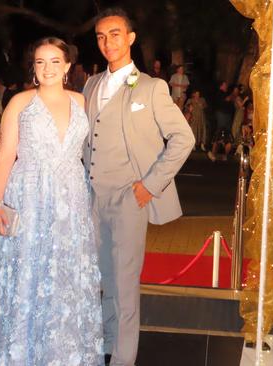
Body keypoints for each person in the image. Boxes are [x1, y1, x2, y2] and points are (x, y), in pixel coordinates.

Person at [0, 37, 103, 366]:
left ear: (68, 66)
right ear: (33, 68)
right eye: (40, 62)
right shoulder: (19, 101)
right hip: (28, 196)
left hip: (72, 198)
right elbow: (4, 157)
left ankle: (64, 351)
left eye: (55, 61)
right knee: (27, 274)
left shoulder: (82, 101)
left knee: (65, 275)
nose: (47, 68)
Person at [82, 8, 195, 366]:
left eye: (115, 34)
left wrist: (151, 184)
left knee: (125, 282)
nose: (107, 42)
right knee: (104, 277)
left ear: (130, 38)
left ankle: (123, 359)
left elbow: (183, 138)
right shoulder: (90, 84)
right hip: (92, 196)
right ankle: (107, 344)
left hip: (130, 197)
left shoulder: (151, 86)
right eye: (101, 36)